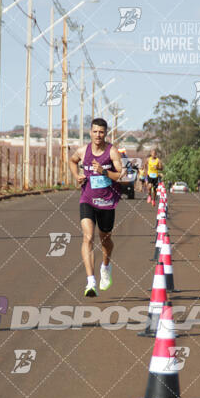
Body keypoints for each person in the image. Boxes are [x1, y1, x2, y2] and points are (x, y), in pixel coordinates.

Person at [69, 118, 123, 297]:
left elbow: (119, 176)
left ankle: (106, 267)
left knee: (105, 240)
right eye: (95, 131)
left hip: (107, 203)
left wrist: (104, 171)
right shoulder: (83, 151)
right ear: (90, 132)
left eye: (101, 132)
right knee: (88, 237)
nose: (98, 135)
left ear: (105, 133)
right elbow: (72, 160)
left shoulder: (112, 151)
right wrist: (76, 175)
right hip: (87, 200)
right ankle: (91, 281)